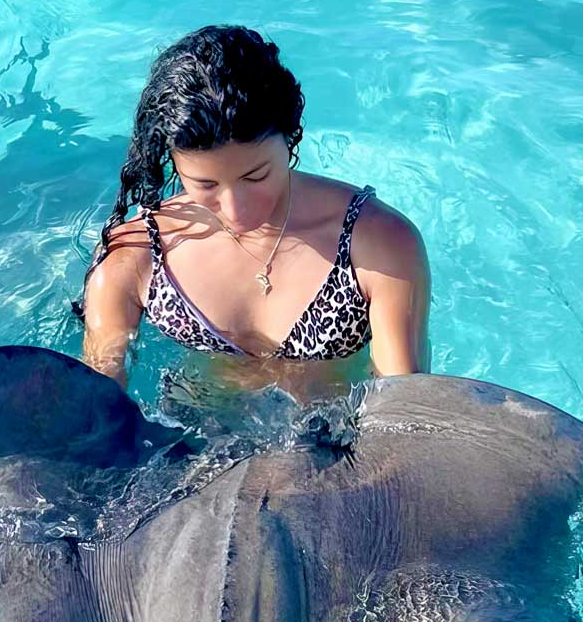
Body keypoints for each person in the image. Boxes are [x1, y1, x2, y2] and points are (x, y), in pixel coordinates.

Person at [75, 24, 430, 399]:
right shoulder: (135, 256)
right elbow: (98, 407)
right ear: (172, 163)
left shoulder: (379, 244)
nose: (236, 210)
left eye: (255, 176)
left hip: (333, 432)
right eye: (205, 184)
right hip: (186, 431)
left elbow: (402, 405)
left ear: (290, 136)